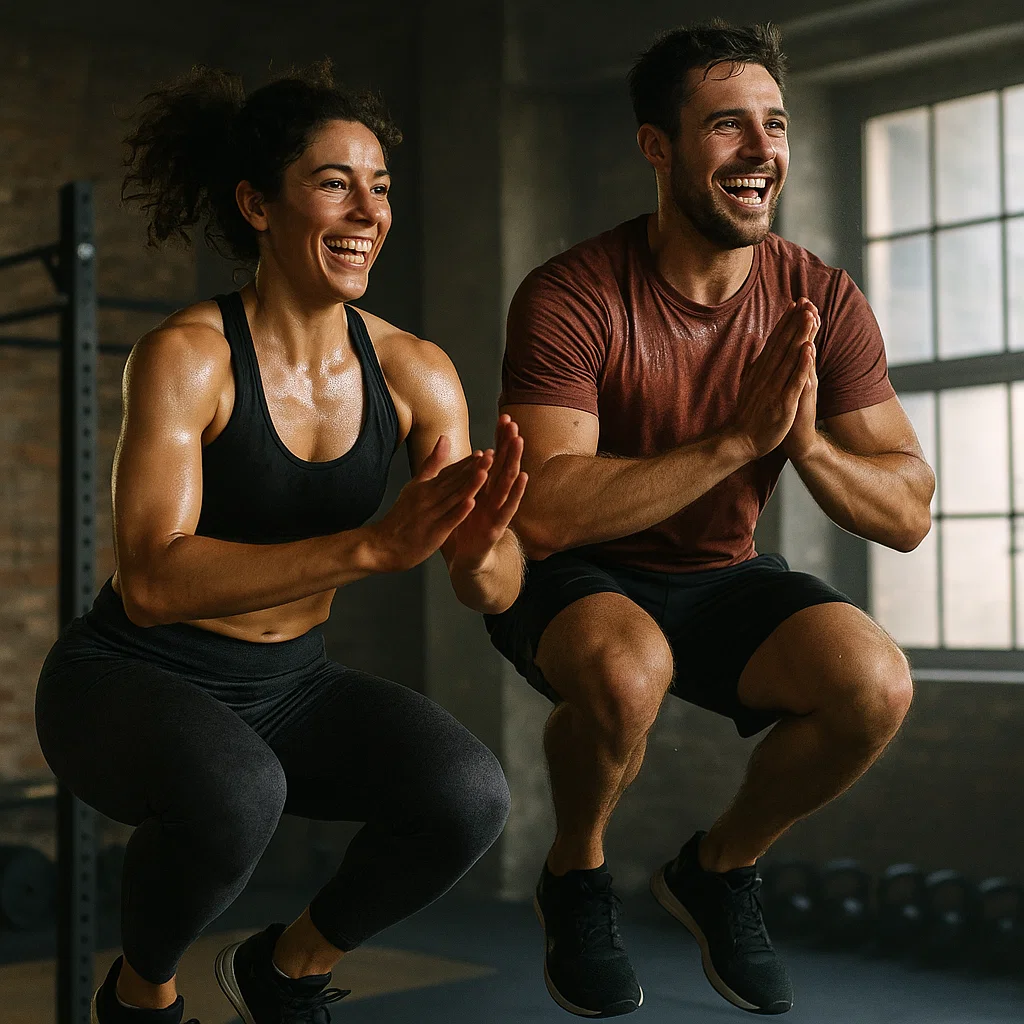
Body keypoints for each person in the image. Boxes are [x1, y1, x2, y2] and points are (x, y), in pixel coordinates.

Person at [34, 63, 526, 1024]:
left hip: (290, 684)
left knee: (466, 793)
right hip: (130, 678)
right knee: (238, 794)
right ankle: (141, 998)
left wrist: (479, 553)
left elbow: (492, 583)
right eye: (334, 182)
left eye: (380, 185)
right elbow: (152, 582)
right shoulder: (190, 356)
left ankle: (287, 968)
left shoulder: (416, 373)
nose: (368, 210)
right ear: (257, 203)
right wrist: (372, 549)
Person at [485, 21, 934, 1018]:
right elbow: (546, 510)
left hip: (718, 571)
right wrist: (736, 442)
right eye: (726, 125)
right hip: (575, 577)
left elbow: (906, 511)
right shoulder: (573, 294)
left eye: (772, 124)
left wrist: (807, 442)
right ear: (658, 147)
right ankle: (575, 872)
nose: (760, 149)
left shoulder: (818, 296)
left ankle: (717, 868)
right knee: (624, 667)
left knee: (874, 683)